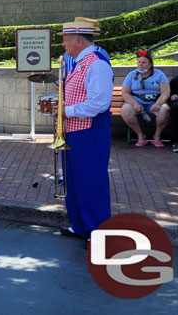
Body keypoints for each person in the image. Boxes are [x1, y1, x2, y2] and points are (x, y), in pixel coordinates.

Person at [58, 19, 114, 247]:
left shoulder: (97, 64)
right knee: (74, 182)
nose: (63, 44)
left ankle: (98, 232)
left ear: (78, 40)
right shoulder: (82, 62)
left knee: (91, 182)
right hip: (76, 131)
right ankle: (82, 226)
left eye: (65, 40)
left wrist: (65, 110)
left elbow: (99, 103)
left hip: (90, 133)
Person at [120, 50, 170, 147]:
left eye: (144, 62)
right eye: (139, 62)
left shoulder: (159, 74)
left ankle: (157, 136)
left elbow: (165, 92)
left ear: (150, 64)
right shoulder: (131, 75)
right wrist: (134, 104)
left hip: (154, 102)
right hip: (137, 102)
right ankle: (141, 135)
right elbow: (125, 92)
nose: (140, 64)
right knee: (125, 110)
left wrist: (158, 104)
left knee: (165, 109)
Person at [169, 75, 178, 153]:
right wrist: (171, 97)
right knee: (176, 107)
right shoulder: (176, 80)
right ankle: (177, 142)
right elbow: (167, 93)